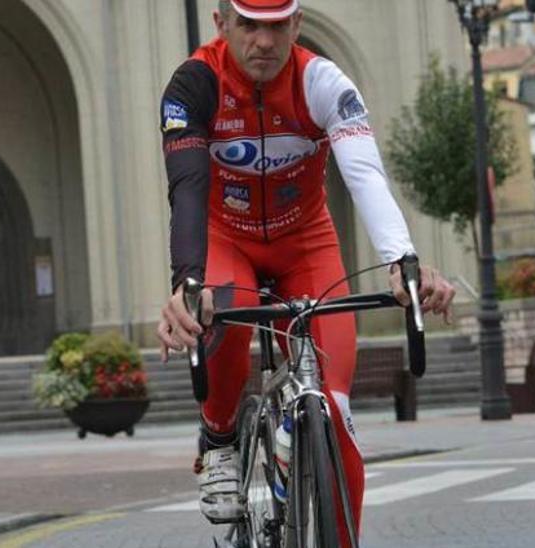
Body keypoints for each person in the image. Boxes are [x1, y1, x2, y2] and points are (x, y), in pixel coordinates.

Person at [154, 0, 456, 543]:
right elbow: (188, 187)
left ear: (296, 24)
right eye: (248, 25)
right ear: (221, 24)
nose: (263, 43)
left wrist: (401, 261)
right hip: (226, 240)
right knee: (225, 303)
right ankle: (220, 439)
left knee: (336, 409)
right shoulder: (195, 83)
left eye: (275, 27)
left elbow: (364, 173)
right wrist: (187, 280)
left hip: (305, 244)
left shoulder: (322, 81)